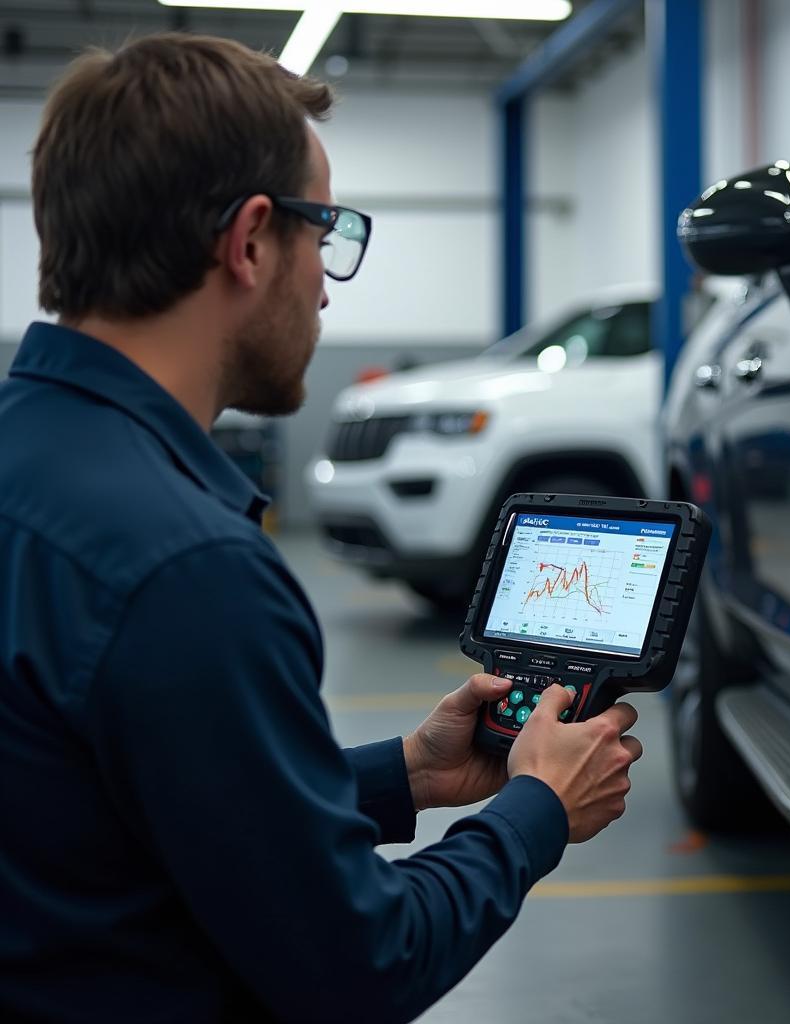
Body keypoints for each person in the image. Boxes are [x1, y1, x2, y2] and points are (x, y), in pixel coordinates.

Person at [0, 32, 643, 1024]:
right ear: (252, 241)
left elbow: (136, 808)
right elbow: (361, 964)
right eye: (324, 233)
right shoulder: (189, 572)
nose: (328, 282)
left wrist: (409, 775)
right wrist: (535, 811)